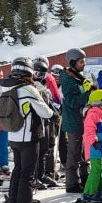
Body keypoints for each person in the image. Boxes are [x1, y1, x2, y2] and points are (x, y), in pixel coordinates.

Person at [3, 57, 53, 203]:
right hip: (28, 138)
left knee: (17, 171)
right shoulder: (28, 89)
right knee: (27, 175)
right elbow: (46, 112)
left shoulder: (6, 88)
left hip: (13, 136)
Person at [60, 48, 92, 193]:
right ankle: (71, 184)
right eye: (81, 62)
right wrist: (88, 95)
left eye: (84, 61)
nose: (83, 64)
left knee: (85, 152)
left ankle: (85, 178)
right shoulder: (68, 79)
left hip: (83, 120)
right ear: (73, 62)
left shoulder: (77, 77)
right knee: (74, 153)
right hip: (73, 122)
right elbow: (72, 101)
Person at [32, 56, 61, 189]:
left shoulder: (44, 86)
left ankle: (41, 174)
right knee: (35, 151)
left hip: (46, 122)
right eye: (37, 73)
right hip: (35, 123)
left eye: (42, 74)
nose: (39, 76)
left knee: (44, 149)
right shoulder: (30, 86)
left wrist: (55, 113)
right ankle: (34, 176)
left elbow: (50, 102)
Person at [80, 89, 102, 203]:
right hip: (95, 147)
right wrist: (94, 141)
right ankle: (89, 193)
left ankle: (100, 189)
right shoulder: (92, 114)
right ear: (98, 102)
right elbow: (89, 131)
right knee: (96, 170)